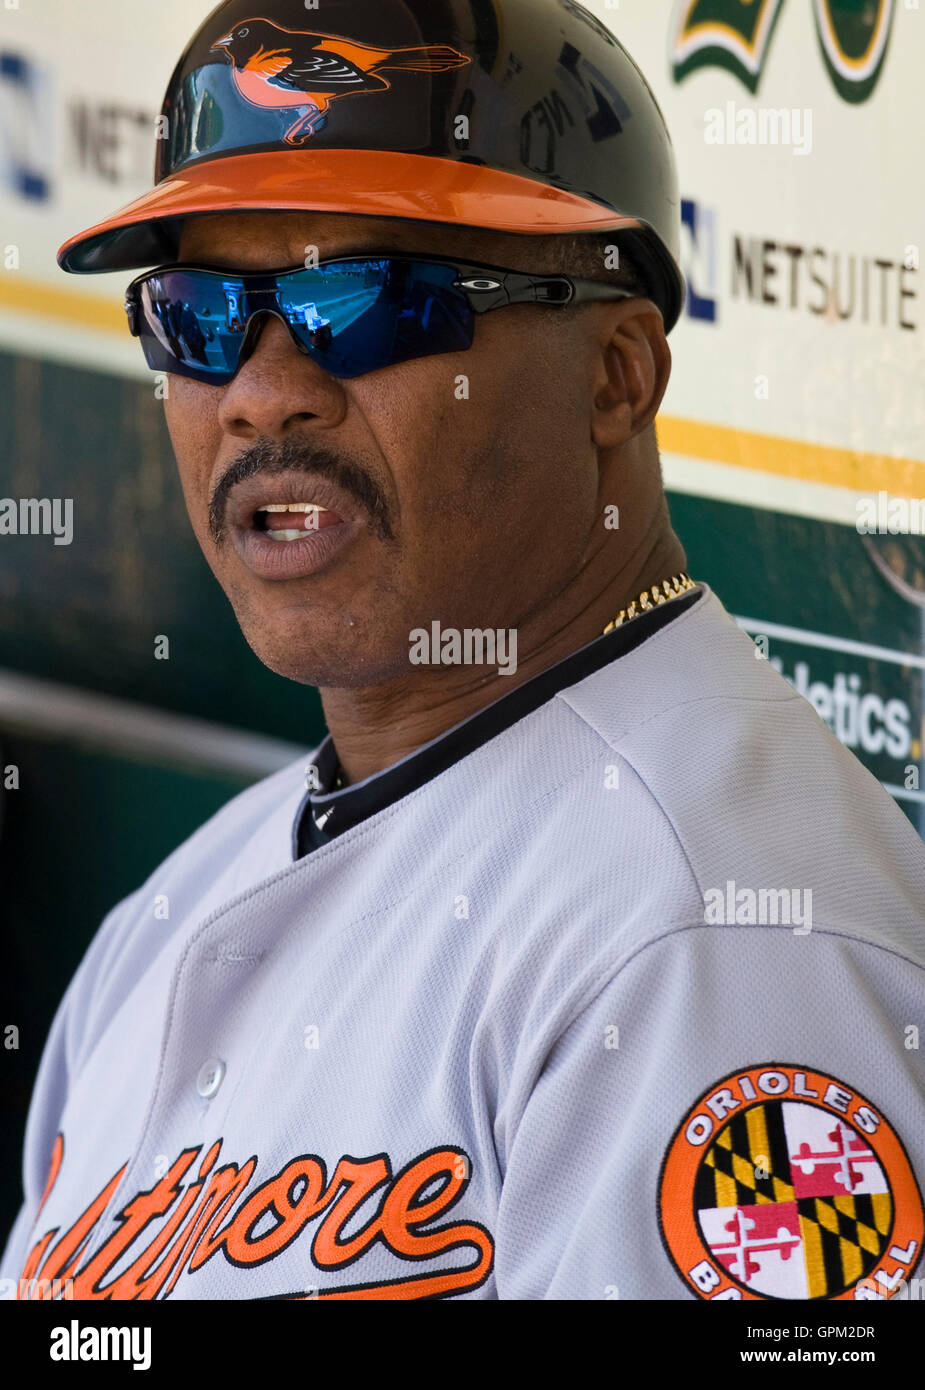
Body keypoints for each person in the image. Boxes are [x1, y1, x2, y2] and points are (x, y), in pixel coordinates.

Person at [3, 0, 923, 1302]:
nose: (263, 389)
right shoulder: (177, 906)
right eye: (201, 315)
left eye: (365, 302)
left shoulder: (715, 938)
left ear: (614, 377)